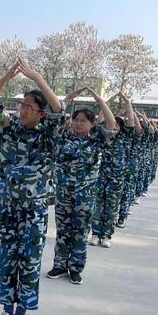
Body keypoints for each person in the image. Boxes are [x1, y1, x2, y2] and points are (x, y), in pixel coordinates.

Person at [0, 59, 65, 315]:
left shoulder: (48, 137)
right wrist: (6, 77)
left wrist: (37, 76)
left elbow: (59, 110)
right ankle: (6, 310)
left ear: (40, 114)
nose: (22, 111)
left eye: (28, 108)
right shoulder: (8, 130)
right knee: (6, 260)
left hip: (33, 211)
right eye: (21, 106)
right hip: (7, 209)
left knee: (29, 262)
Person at [47, 87, 116, 285]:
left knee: (80, 232)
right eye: (76, 120)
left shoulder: (97, 140)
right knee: (62, 231)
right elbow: (57, 113)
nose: (78, 123)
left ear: (92, 124)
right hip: (64, 194)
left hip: (84, 197)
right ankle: (59, 265)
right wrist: (68, 98)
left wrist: (100, 100)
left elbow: (111, 124)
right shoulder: (63, 137)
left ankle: (75, 268)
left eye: (83, 121)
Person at [89, 92, 139, 247]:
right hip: (101, 177)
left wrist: (127, 102)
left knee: (111, 209)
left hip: (117, 180)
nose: (115, 126)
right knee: (98, 207)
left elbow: (130, 120)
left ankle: (106, 236)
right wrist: (108, 102)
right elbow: (101, 119)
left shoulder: (126, 138)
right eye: (113, 124)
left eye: (118, 125)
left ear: (121, 128)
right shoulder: (103, 137)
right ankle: (96, 234)